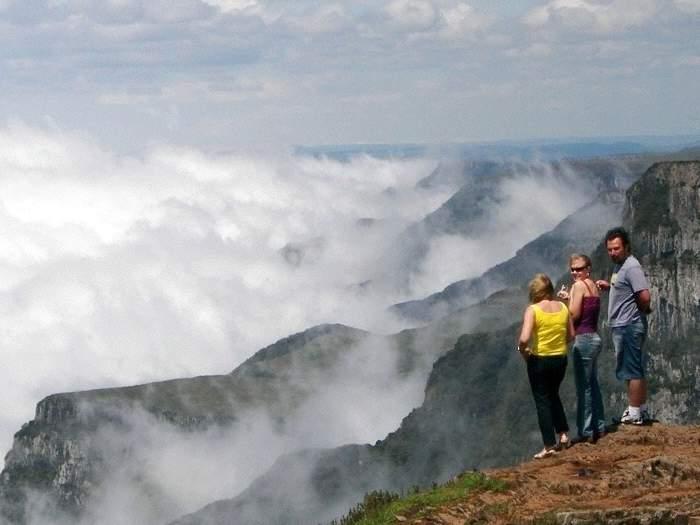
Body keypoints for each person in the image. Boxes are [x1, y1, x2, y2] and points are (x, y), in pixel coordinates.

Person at [595, 227, 652, 425]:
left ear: (626, 247)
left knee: (632, 370)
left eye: (616, 248)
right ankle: (640, 409)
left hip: (629, 325)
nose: (612, 253)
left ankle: (634, 414)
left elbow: (644, 296)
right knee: (633, 367)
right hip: (624, 324)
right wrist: (609, 286)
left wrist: (640, 311)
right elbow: (625, 288)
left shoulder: (631, 266)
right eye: (610, 249)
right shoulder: (621, 267)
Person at [518, 273, 574, 458]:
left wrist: (523, 350)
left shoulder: (533, 310)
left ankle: (549, 445)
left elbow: (525, 338)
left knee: (542, 401)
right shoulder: (563, 308)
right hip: (560, 359)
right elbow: (571, 335)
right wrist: (558, 346)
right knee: (554, 395)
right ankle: (564, 434)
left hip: (540, 359)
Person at [560, 254, 606, 442]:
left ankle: (586, 432)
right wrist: (569, 297)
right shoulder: (592, 285)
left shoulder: (578, 286)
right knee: (593, 384)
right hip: (594, 337)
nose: (575, 273)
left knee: (583, 388)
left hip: (584, 339)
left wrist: (565, 302)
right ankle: (600, 426)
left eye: (579, 269)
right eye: (572, 269)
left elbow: (575, 314)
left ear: (588, 268)